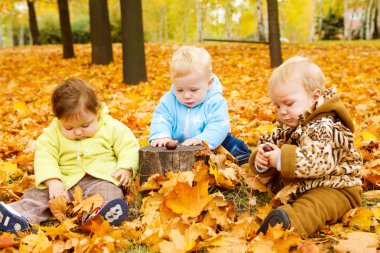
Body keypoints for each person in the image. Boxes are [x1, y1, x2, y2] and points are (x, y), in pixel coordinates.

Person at [0, 78, 140, 234]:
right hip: (64, 182)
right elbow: (45, 155)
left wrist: (125, 167)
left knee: (108, 193)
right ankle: (18, 215)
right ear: (59, 119)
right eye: (69, 128)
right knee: (37, 195)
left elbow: (128, 146)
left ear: (96, 111)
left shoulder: (111, 126)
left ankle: (97, 217)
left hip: (101, 178)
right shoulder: (53, 133)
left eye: (85, 125)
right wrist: (53, 181)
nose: (78, 132)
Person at [249, 56, 363, 236]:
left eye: (288, 103)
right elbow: (269, 141)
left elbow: (319, 161)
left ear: (315, 97)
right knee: (293, 193)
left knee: (314, 206)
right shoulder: (289, 123)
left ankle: (289, 223)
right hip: (303, 184)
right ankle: (286, 210)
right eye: (277, 106)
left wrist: (281, 158)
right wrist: (262, 156)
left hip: (336, 187)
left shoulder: (325, 125)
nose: (282, 112)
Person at [149, 45, 251, 165]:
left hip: (215, 142)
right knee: (156, 149)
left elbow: (218, 125)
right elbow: (161, 119)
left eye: (193, 90)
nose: (186, 95)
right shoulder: (169, 101)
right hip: (179, 144)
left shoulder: (215, 101)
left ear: (209, 83)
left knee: (234, 146)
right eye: (180, 90)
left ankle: (250, 163)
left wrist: (203, 140)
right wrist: (161, 136)